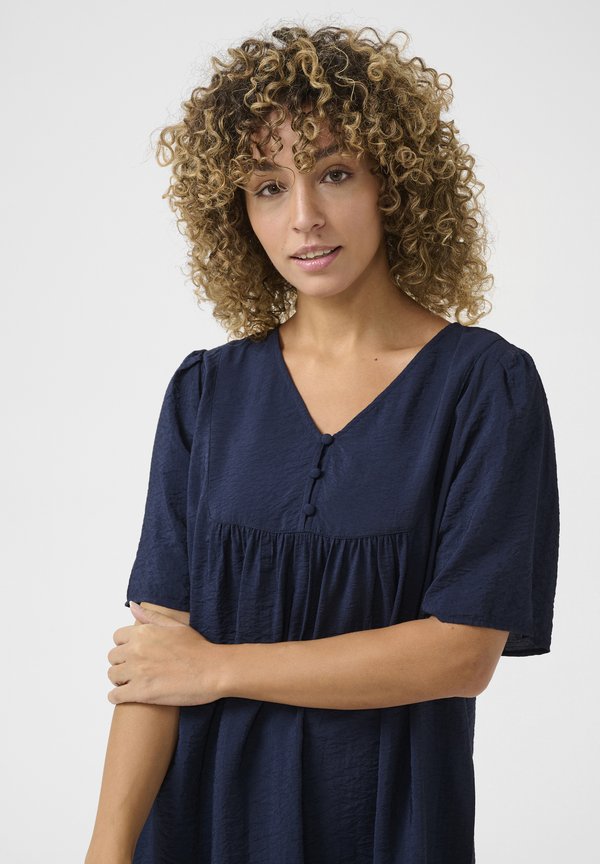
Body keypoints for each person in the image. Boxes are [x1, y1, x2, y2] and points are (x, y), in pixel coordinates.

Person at [85, 23, 560, 864]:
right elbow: (156, 662)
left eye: (335, 173)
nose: (303, 217)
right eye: (268, 187)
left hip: (384, 825)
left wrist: (219, 668)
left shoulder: (485, 387)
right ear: (237, 211)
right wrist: (106, 850)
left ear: (394, 185)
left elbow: (460, 653)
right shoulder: (206, 392)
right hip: (200, 824)